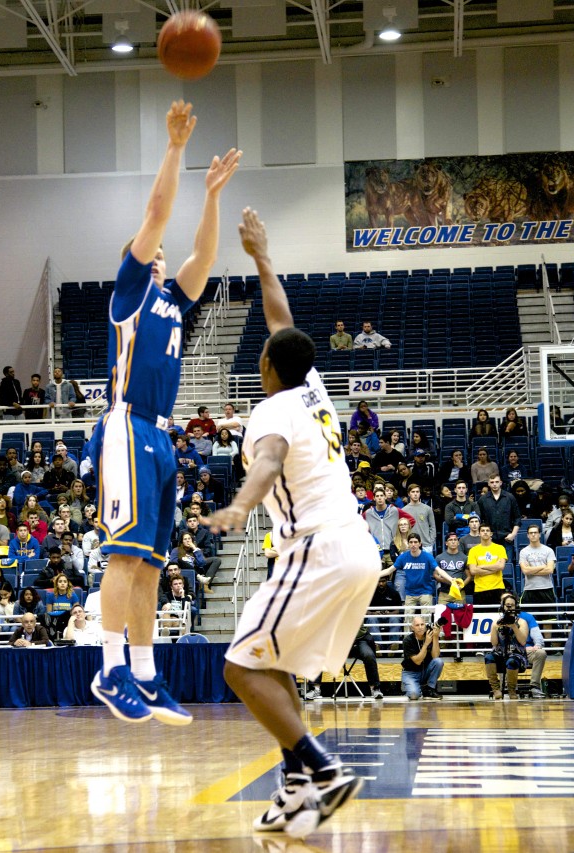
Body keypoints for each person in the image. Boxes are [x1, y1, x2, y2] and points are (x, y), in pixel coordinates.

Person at [204, 207, 375, 838]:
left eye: (262, 353)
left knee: (240, 668)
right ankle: (298, 789)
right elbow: (282, 321)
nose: (261, 353)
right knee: (271, 666)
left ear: (270, 366)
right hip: (354, 547)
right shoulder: (314, 386)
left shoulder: (273, 409)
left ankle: (322, 768)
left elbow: (271, 459)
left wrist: (241, 505)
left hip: (318, 550)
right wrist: (261, 256)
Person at [87, 101, 240, 727]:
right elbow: (154, 214)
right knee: (124, 556)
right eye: (149, 251)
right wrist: (175, 149)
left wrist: (211, 195)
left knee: (152, 562)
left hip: (159, 435)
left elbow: (203, 256)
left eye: (159, 254)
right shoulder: (128, 290)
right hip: (124, 423)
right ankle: (110, 669)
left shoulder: (175, 299)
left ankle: (147, 675)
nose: (159, 255)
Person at [303, 622, 384, 701]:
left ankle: (375, 688)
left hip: (358, 640)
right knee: (319, 653)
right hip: (337, 642)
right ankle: (315, 688)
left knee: (369, 655)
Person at [393, 533, 455, 630]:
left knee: (426, 620)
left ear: (420, 543)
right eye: (411, 542)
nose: (413, 544)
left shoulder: (427, 556)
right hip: (410, 592)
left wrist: (451, 579)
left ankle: (428, 641)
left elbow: (439, 570)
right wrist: (375, 575)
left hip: (425, 591)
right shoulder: (403, 557)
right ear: (408, 544)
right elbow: (390, 570)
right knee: (408, 621)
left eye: (415, 542)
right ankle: (408, 643)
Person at [484, 593, 530, 699]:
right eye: (507, 605)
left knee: (512, 661)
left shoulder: (522, 622)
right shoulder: (496, 622)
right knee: (488, 657)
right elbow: (494, 643)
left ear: (516, 607)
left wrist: (514, 627)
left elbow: (523, 642)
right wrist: (495, 628)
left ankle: (512, 691)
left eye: (511, 605)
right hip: (501, 653)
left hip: (517, 655)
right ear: (502, 607)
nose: (509, 607)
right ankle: (496, 689)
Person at [518, 524, 556, 639]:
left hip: (546, 588)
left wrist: (531, 569)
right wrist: (542, 567)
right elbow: (525, 571)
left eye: (535, 532)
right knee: (530, 619)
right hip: (530, 590)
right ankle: (533, 643)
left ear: (539, 534)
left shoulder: (548, 550)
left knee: (548, 619)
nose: (533, 534)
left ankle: (547, 646)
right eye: (531, 533)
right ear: (528, 535)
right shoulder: (523, 552)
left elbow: (550, 570)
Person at [401, 616, 443, 701]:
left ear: (425, 625)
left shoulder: (429, 635)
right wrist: (426, 643)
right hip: (411, 673)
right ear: (412, 628)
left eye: (422, 624)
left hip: (425, 671)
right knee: (414, 695)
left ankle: (429, 689)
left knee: (438, 662)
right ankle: (414, 688)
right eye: (417, 625)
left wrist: (435, 637)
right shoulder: (407, 640)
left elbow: (435, 656)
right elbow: (417, 661)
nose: (420, 627)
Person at [466, 524, 507, 607]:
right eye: (483, 531)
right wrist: (494, 567)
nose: (485, 533)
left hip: (497, 588)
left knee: (498, 618)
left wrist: (481, 566)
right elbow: (473, 571)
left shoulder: (500, 548)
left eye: (487, 531)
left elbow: (501, 566)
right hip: (480, 589)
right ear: (479, 533)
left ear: (491, 533)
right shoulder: (473, 550)